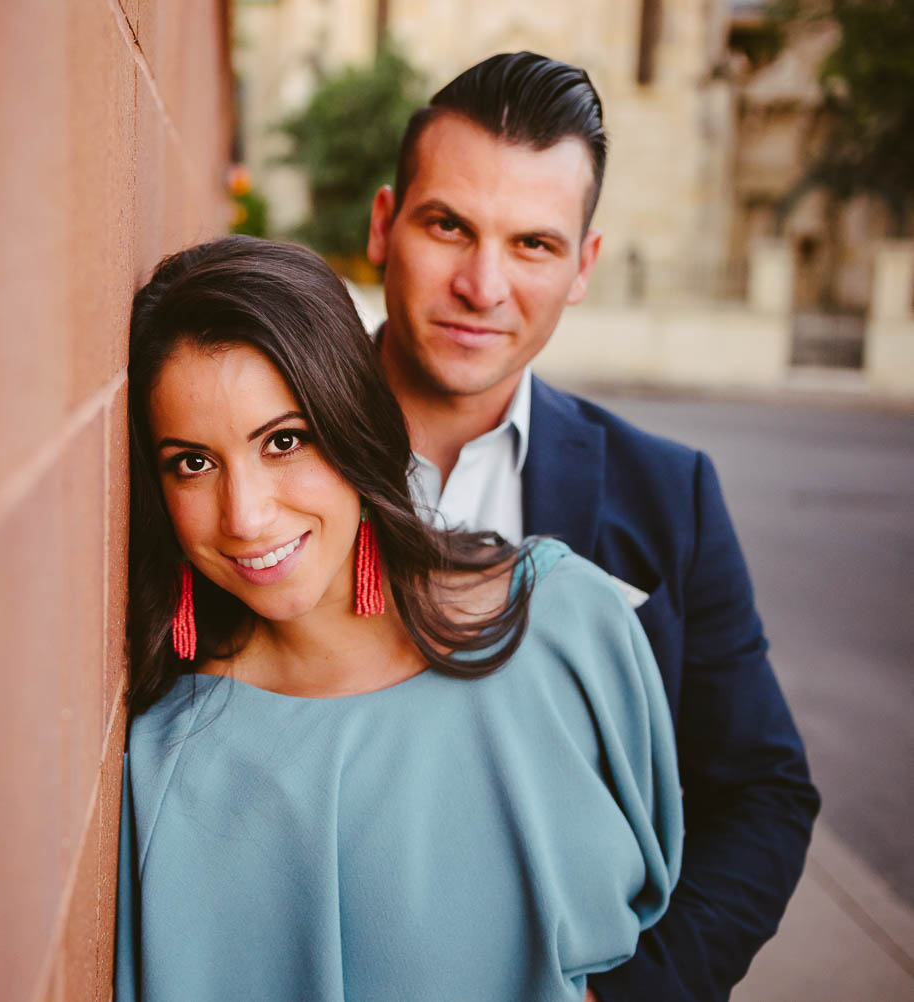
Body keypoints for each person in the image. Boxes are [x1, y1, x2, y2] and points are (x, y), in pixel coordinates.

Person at [115, 235, 681, 1002]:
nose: (244, 516)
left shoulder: (566, 627)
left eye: (284, 442)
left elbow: (648, 929)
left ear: (353, 423)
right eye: (193, 462)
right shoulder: (162, 763)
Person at [365, 52, 820, 1001]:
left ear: (584, 266)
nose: (482, 285)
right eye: (449, 225)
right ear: (383, 225)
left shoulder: (669, 494)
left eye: (533, 244)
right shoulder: (269, 461)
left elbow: (763, 795)